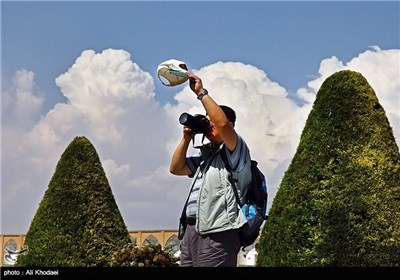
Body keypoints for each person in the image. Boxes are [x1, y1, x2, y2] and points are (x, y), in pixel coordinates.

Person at [169, 71, 253, 267]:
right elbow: (175, 168)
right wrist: (186, 139)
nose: (209, 125)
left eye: (211, 121)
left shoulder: (235, 151)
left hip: (218, 232)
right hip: (191, 232)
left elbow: (222, 123)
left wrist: (201, 93)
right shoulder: (204, 159)